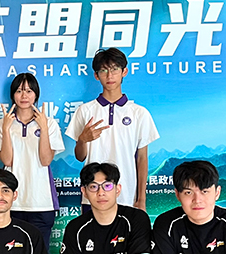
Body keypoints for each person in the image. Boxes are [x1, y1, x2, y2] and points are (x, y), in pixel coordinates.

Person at [0, 72, 65, 254]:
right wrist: (6, 129)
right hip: (11, 204)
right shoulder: (3, 124)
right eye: (19, 90)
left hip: (41, 203)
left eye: (29, 90)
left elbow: (45, 160)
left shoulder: (49, 123)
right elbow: (7, 160)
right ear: (12, 94)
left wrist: (42, 127)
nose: (24, 95)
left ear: (36, 94)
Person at [65, 48, 159, 211]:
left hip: (126, 196)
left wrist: (141, 199)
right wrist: (82, 140)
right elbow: (80, 157)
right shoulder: (85, 110)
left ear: (124, 72)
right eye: (104, 70)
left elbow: (142, 158)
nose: (110, 76)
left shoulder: (139, 113)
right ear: (96, 75)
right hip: (92, 196)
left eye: (115, 69)